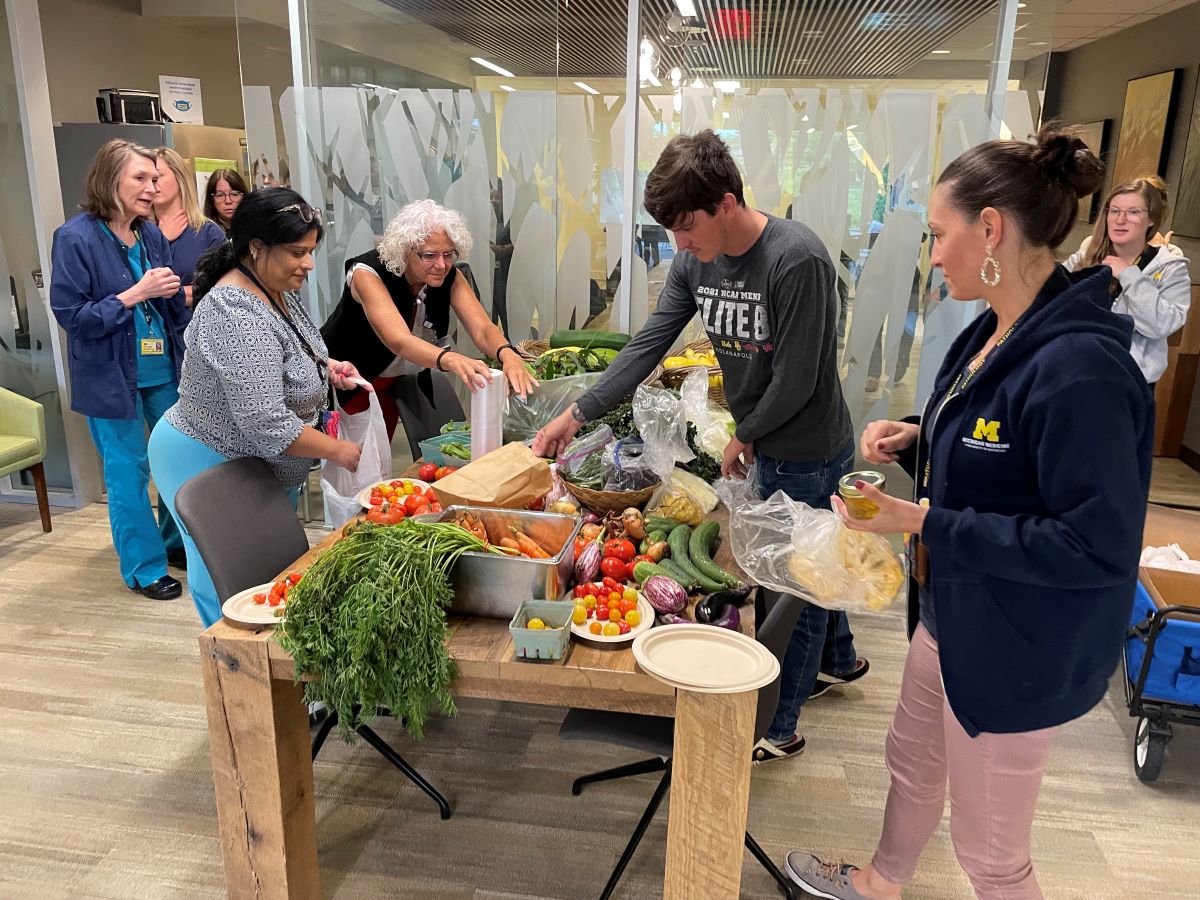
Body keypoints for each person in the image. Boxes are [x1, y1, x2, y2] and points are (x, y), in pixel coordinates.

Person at [785, 127, 1153, 899]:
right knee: (911, 762)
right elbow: (1006, 452)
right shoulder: (997, 331)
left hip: (1017, 642)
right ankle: (880, 881)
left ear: (990, 230)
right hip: (954, 612)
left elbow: (1094, 545)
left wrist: (919, 523)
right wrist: (922, 441)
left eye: (939, 233)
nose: (933, 253)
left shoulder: (1082, 368)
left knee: (991, 855)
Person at [531, 130, 868, 762]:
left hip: (809, 445)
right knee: (804, 564)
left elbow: (797, 379)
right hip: (764, 438)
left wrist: (743, 434)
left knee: (798, 585)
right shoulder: (693, 263)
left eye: (688, 228)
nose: (681, 246)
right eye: (673, 233)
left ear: (728, 203)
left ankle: (780, 725)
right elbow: (647, 344)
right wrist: (579, 411)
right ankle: (839, 661)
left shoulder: (797, 260)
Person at [148, 189, 367, 628]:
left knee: (276, 579)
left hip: (257, 460)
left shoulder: (271, 285)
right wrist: (338, 451)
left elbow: (288, 352)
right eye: (297, 252)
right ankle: (237, 678)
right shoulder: (235, 312)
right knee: (235, 589)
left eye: (311, 251)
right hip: (207, 457)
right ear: (256, 248)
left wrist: (327, 368)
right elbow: (264, 420)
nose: (308, 263)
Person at [49, 138, 189, 601]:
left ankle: (174, 544)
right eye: (141, 179)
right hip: (109, 375)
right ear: (111, 179)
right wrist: (134, 295)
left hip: (161, 367)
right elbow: (73, 316)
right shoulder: (75, 238)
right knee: (127, 469)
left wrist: (175, 299)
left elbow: (167, 303)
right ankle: (144, 568)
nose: (152, 188)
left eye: (155, 179)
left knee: (175, 459)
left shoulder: (150, 236)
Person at [321, 199, 538, 443]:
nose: (441, 264)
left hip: (394, 377)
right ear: (404, 249)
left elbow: (483, 328)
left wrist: (507, 354)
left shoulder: (449, 275)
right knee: (353, 459)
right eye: (429, 255)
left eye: (448, 254)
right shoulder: (367, 273)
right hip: (348, 379)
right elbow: (399, 341)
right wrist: (451, 359)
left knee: (379, 456)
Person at [1064, 175, 1191, 386]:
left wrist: (1129, 275)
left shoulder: (1171, 266)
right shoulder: (1087, 253)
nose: (1120, 220)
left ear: (1151, 219)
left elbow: (1161, 325)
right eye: (1114, 211)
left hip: (1128, 383)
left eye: (1133, 212)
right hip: (1075, 372)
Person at [153, 147, 227, 307]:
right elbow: (132, 288)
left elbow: (224, 291)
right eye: (144, 178)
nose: (152, 183)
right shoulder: (138, 233)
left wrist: (166, 294)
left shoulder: (208, 232)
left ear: (179, 177)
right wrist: (161, 239)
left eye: (157, 176)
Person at [203, 168, 248, 234]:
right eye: (220, 195)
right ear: (211, 200)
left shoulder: (255, 228)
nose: (228, 201)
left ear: (244, 196)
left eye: (234, 194)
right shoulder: (204, 232)